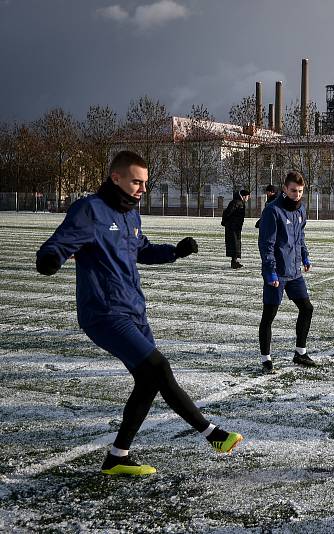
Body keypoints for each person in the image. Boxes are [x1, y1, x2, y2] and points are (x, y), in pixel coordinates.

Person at [35, 151, 243, 476]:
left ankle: (117, 457)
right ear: (115, 177)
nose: (142, 189)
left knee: (148, 382)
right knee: (159, 366)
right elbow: (58, 244)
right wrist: (50, 259)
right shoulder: (90, 210)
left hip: (134, 310)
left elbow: (142, 250)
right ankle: (210, 433)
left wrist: (175, 251)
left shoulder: (131, 215)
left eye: (145, 183)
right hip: (104, 313)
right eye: (136, 181)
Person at [258, 171, 316, 373]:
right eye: (293, 190)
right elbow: (266, 245)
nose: (296, 194)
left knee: (307, 308)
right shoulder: (272, 211)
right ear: (284, 189)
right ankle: (266, 358)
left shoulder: (301, 210)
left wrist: (305, 256)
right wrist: (270, 272)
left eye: (300, 191)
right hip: (277, 273)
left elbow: (300, 237)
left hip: (294, 272)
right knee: (269, 315)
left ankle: (300, 353)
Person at [222, 189, 250, 268]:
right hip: (232, 227)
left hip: (235, 227)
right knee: (234, 243)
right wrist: (225, 222)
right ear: (244, 196)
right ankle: (234, 262)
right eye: (247, 196)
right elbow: (227, 212)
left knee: (236, 243)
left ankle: (235, 261)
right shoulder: (237, 202)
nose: (248, 198)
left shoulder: (239, 202)